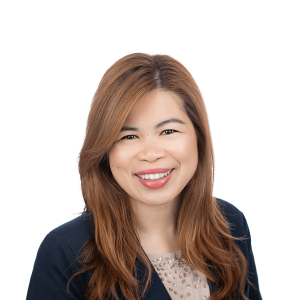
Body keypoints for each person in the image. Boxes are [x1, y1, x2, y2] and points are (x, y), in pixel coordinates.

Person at [26, 53, 262, 300]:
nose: (151, 154)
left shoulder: (230, 224)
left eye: (168, 130)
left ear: (198, 137)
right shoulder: (66, 252)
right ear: (105, 151)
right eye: (128, 136)